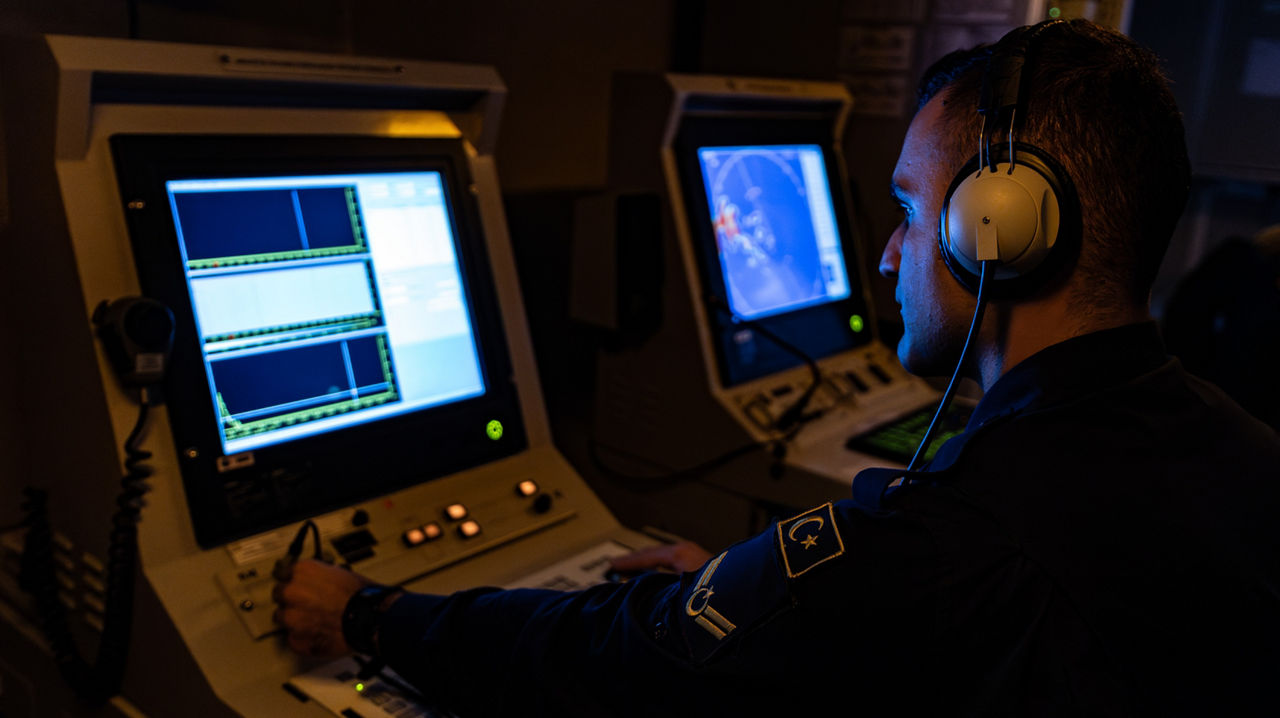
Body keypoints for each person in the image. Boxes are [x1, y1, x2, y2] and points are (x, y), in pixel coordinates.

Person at [274, 20, 1280, 716]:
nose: (886, 254)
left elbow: (624, 660)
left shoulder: (943, 548)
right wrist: (747, 597)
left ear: (999, 230)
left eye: (906, 209)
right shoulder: (1239, 447)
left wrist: (371, 610)